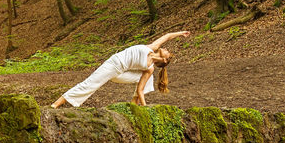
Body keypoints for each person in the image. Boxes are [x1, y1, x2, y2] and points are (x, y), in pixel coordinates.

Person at [50, 30, 191, 108]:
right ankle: (56, 104)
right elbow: (166, 37)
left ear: (165, 60)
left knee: (148, 78)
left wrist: (145, 106)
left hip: (122, 73)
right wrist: (180, 33)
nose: (166, 49)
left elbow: (140, 90)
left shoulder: (150, 68)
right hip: (114, 64)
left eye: (168, 52)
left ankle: (133, 106)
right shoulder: (152, 48)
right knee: (90, 84)